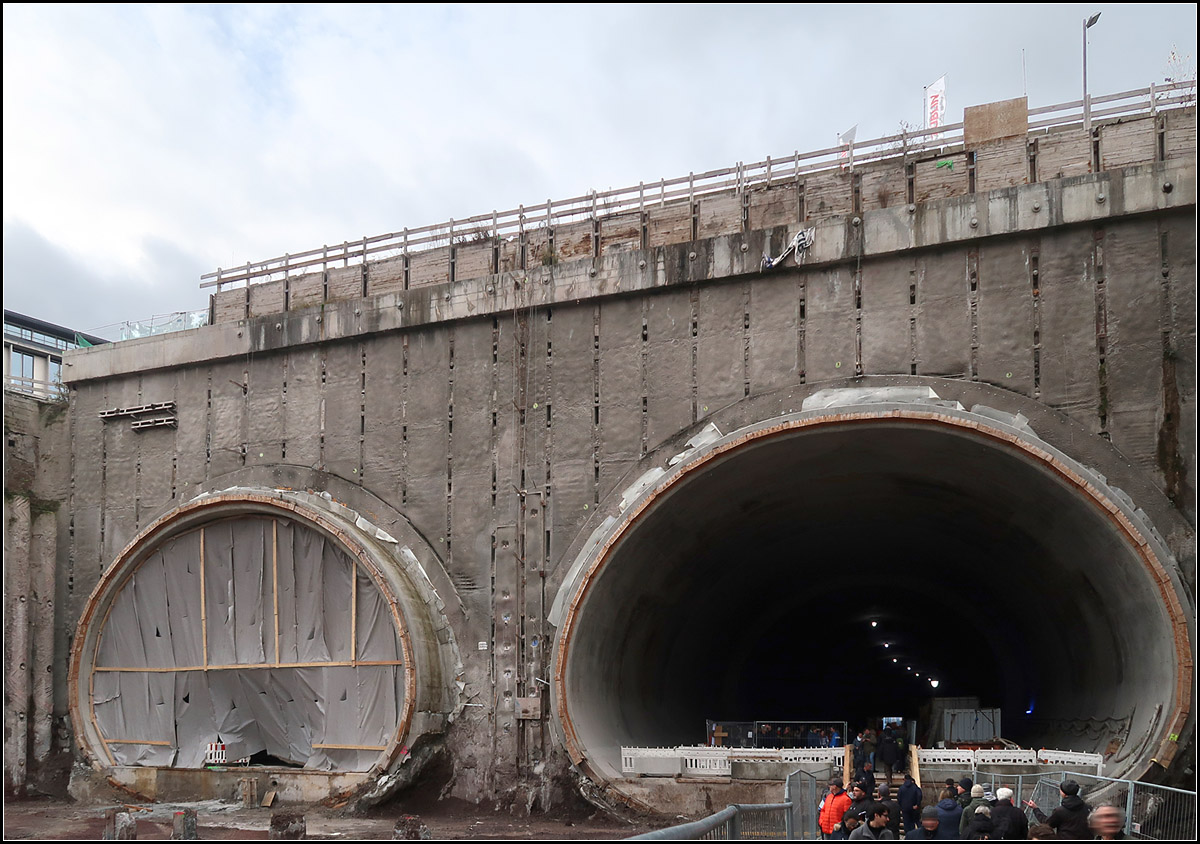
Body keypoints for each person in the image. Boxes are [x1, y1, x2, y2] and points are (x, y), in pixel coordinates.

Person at [1026, 779, 1092, 840]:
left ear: (1063, 793)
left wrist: (1035, 809)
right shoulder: (1087, 808)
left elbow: (1047, 823)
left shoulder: (1060, 811)